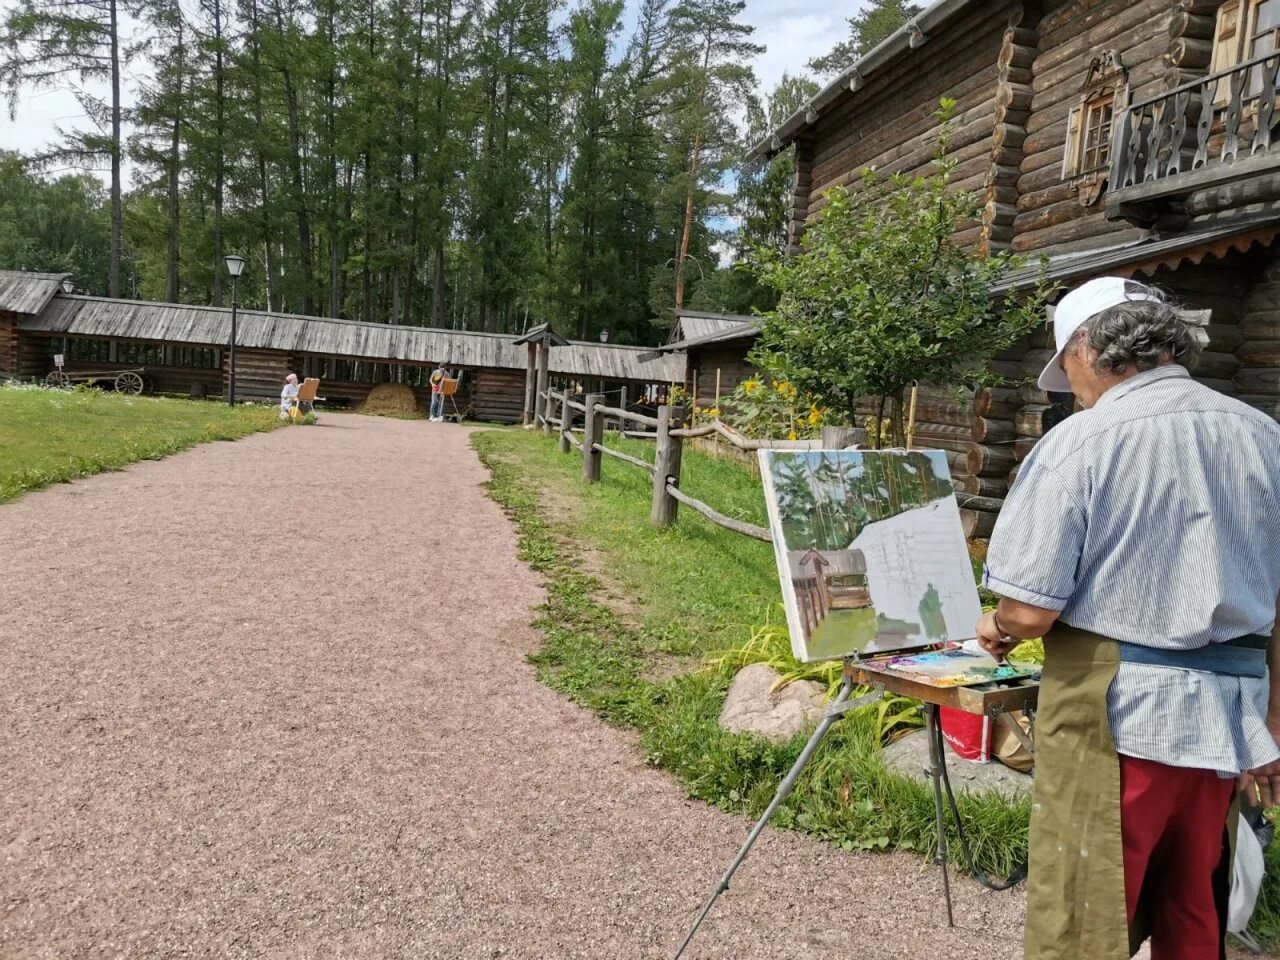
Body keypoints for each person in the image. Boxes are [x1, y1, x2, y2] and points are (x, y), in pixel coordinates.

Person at [977, 276, 1280, 960]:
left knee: (1086, 916)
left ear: (1089, 346)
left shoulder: (1085, 441)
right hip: (1226, 724)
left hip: (1117, 721)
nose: (1069, 387)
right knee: (1193, 907)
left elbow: (1029, 609)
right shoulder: (1264, 436)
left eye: (1068, 369)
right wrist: (1274, 724)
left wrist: (998, 627)